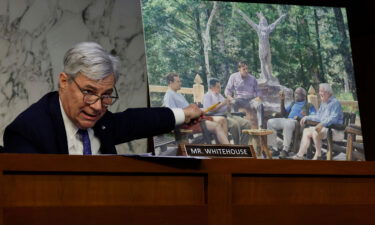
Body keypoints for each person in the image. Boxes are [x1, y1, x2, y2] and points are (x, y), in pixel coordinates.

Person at [3, 42, 202, 154]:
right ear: (64, 81)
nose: (98, 107)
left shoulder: (102, 121)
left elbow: (136, 121)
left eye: (106, 95)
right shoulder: (27, 131)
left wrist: (184, 114)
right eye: (88, 92)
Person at [163, 73, 229, 144]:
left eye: (180, 81)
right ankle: (227, 149)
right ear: (170, 82)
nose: (180, 83)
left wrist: (198, 110)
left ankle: (221, 148)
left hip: (195, 118)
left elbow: (187, 108)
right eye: (178, 81)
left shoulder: (178, 94)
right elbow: (173, 115)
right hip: (189, 123)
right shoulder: (169, 95)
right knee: (217, 126)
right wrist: (192, 113)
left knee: (222, 119)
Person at [292, 83, 344, 160]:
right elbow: (319, 116)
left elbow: (333, 119)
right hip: (325, 128)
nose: (319, 93)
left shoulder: (335, 103)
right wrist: (307, 117)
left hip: (335, 130)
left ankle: (318, 155)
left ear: (328, 93)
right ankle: (300, 155)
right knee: (306, 131)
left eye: (321, 91)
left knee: (315, 131)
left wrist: (322, 124)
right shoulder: (324, 103)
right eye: (319, 91)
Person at [267, 87, 316, 158]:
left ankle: (285, 150)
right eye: (295, 93)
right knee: (270, 122)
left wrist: (306, 116)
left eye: (298, 94)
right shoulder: (293, 103)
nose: (295, 95)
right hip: (287, 120)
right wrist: (282, 100)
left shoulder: (309, 105)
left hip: (297, 122)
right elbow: (283, 113)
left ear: (303, 95)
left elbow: (314, 115)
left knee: (288, 123)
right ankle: (274, 148)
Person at [203, 78, 251, 145]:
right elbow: (210, 109)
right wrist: (222, 104)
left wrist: (229, 104)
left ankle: (243, 146)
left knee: (247, 123)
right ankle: (237, 147)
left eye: (220, 87)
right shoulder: (208, 96)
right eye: (218, 87)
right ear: (212, 87)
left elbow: (228, 110)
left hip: (228, 114)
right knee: (235, 125)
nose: (220, 89)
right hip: (219, 117)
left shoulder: (219, 95)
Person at [224, 61, 263, 129]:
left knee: (260, 105)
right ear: (239, 69)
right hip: (239, 100)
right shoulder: (233, 76)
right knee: (233, 102)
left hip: (250, 100)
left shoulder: (252, 78)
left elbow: (258, 91)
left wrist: (258, 97)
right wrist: (231, 98)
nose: (246, 71)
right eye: (244, 69)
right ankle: (236, 125)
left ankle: (260, 126)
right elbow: (227, 90)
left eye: (247, 69)